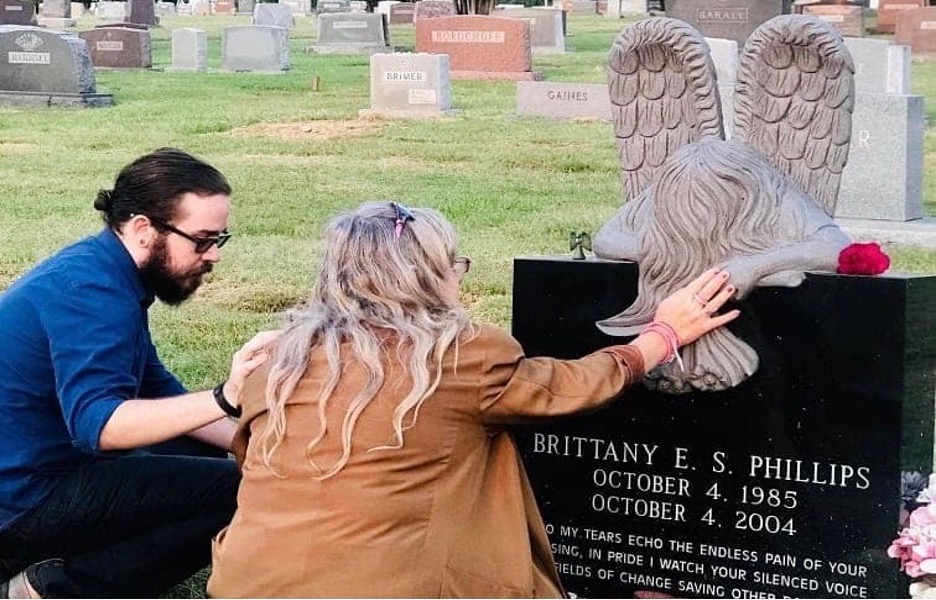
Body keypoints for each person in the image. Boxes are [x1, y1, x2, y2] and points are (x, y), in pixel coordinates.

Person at [208, 201, 739, 598]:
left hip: (246, 581)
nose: (458, 278)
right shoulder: (460, 356)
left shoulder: (279, 356)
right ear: (425, 278)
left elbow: (248, 457)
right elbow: (571, 387)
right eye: (453, 265)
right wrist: (662, 336)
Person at [0, 148, 276, 598]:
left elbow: (154, 386)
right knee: (241, 492)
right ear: (145, 229)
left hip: (37, 469)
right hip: (20, 502)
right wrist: (224, 397)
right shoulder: (90, 292)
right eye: (202, 240)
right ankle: (52, 588)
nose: (213, 255)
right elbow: (100, 425)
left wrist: (260, 443)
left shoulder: (106, 270)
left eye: (218, 239)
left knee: (202, 453)